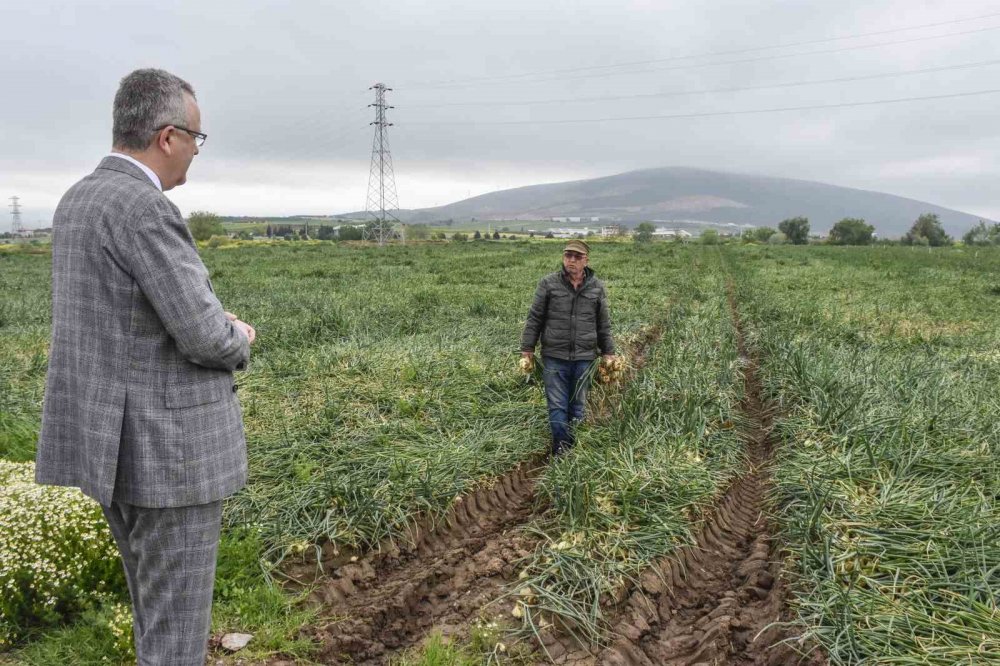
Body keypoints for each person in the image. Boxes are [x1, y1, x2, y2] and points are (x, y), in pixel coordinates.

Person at [35, 68, 255, 665]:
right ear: (167, 136)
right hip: (167, 455)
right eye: (197, 139)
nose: (196, 153)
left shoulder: (79, 198)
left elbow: (119, 319)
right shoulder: (144, 208)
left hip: (108, 444)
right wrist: (237, 334)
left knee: (153, 616)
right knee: (177, 634)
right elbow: (207, 339)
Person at [520, 239, 615, 455]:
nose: (571, 260)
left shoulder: (596, 287)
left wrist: (609, 352)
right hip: (554, 355)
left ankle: (575, 444)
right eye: (568, 255)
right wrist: (527, 348)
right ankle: (561, 448)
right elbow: (535, 317)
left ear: (586, 260)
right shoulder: (548, 284)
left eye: (577, 256)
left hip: (585, 357)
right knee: (557, 405)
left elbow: (603, 324)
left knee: (578, 405)